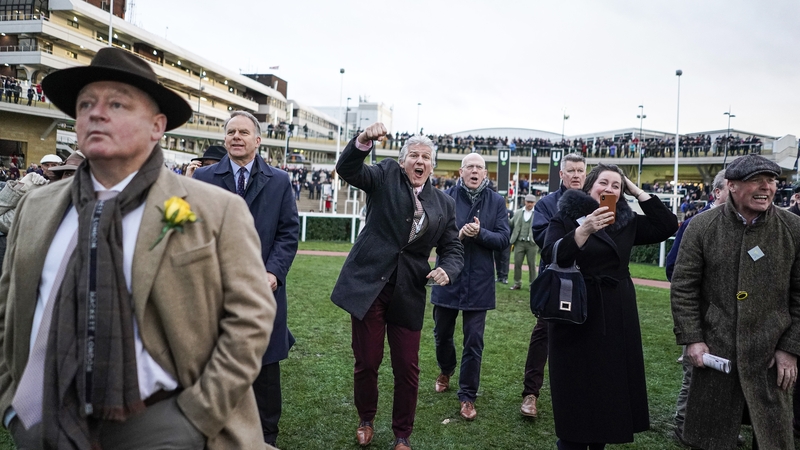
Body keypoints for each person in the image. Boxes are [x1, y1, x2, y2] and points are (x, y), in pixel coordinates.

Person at [0, 47, 277, 449]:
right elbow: (8, 308)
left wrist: (196, 417)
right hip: (46, 418)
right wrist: (12, 401)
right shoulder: (36, 207)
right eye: (85, 105)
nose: (96, 113)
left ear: (156, 125)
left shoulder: (217, 210)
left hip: (164, 422)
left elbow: (250, 318)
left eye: (117, 103)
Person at [331, 122, 463, 450]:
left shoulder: (444, 204)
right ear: (403, 161)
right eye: (414, 156)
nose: (420, 161)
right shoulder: (385, 174)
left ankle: (402, 434)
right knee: (367, 361)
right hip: (369, 286)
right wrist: (362, 140)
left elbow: (453, 247)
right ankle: (366, 418)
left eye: (426, 157)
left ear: (433, 165)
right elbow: (348, 169)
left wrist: (448, 267)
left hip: (409, 291)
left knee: (407, 367)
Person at [543, 163, 677, 449]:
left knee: (607, 388)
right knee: (576, 388)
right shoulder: (566, 215)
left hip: (616, 312)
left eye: (616, 186)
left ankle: (600, 440)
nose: (609, 189)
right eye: (604, 183)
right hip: (575, 311)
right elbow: (551, 254)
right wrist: (584, 231)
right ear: (590, 186)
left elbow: (667, 225)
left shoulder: (626, 222)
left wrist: (636, 190)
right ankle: (570, 441)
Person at [671, 154, 800, 450]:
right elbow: (684, 288)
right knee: (709, 438)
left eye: (771, 181)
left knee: (773, 439)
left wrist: (790, 349)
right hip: (717, 351)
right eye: (756, 180)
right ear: (731, 186)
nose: (766, 187)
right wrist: (693, 339)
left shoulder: (793, 228)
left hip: (771, 353)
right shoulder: (702, 226)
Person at [194, 110, 299, 448]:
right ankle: (216, 429)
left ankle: (267, 437)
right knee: (216, 360)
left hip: (263, 291)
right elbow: (187, 229)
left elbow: (288, 234)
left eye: (243, 132)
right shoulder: (203, 178)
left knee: (266, 367)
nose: (236, 137)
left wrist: (273, 273)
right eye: (230, 132)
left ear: (258, 140)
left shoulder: (280, 181)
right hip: (215, 290)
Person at [430, 153, 509, 421]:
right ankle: (446, 368)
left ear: (486, 174)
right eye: (470, 167)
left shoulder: (497, 201)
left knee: (474, 342)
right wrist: (459, 236)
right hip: (447, 278)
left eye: (480, 168)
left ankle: (467, 396)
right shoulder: (446, 197)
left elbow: (503, 238)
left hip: (479, 283)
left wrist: (481, 233)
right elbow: (433, 233)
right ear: (461, 172)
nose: (475, 171)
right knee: (442, 335)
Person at [664, 170, 729, 445]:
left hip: (734, 315)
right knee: (695, 374)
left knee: (728, 375)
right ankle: (684, 423)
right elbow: (672, 269)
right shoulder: (694, 224)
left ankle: (723, 425)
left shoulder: (750, 226)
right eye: (732, 186)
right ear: (717, 192)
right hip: (701, 314)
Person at [520, 153, 586, 418]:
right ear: (561, 174)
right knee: (543, 334)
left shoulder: (596, 200)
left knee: (586, 338)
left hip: (589, 281)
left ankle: (578, 395)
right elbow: (546, 245)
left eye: (580, 170)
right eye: (570, 171)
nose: (576, 175)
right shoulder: (547, 204)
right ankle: (530, 394)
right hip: (556, 280)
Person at [509, 194, 538, 290]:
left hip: (532, 243)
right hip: (519, 242)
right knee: (517, 263)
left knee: (532, 265)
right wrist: (505, 217)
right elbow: (511, 223)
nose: (529, 204)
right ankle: (517, 283)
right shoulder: (518, 212)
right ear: (524, 202)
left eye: (531, 202)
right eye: (528, 202)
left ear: (534, 203)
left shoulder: (538, 213)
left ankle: (532, 285)